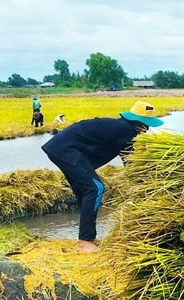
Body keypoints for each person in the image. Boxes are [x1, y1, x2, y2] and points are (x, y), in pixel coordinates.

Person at [42, 101, 163, 252]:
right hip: (66, 150)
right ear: (138, 123)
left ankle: (88, 238)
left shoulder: (119, 127)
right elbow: (130, 161)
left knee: (84, 191)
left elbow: (128, 157)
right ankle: (84, 241)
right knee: (95, 188)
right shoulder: (126, 130)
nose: (147, 129)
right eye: (147, 124)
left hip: (60, 149)